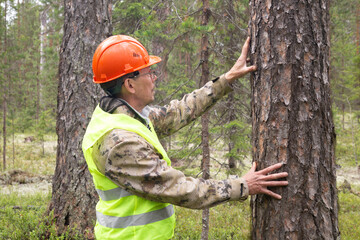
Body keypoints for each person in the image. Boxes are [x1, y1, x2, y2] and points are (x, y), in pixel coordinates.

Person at [82, 35, 288, 240]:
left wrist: (227, 79)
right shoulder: (120, 142)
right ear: (130, 84)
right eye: (149, 73)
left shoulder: (124, 114)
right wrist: (242, 186)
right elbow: (181, 189)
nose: (154, 78)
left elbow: (177, 113)